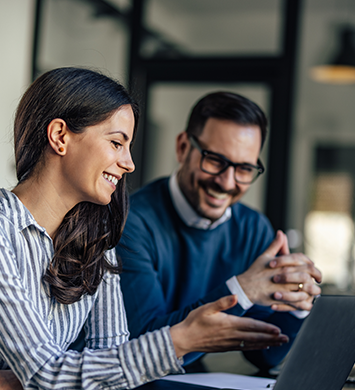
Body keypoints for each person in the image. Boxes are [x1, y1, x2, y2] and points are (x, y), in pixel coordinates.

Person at [0, 68, 289, 390]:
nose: (129, 163)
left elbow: (111, 361)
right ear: (60, 136)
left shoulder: (94, 241)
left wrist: (26, 380)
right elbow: (48, 374)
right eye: (117, 143)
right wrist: (180, 339)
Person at [117, 92, 323, 372]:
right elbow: (141, 343)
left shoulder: (253, 228)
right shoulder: (130, 221)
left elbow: (264, 355)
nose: (227, 182)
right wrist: (242, 292)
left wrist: (298, 303)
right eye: (215, 160)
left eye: (244, 169)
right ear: (182, 147)